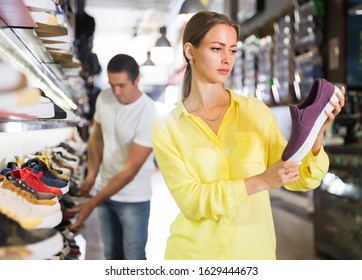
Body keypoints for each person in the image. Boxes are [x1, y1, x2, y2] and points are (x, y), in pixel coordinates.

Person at [151, 11, 345, 260]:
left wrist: (316, 134)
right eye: (216, 49)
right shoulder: (166, 128)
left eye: (232, 50)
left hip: (254, 255)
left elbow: (300, 179)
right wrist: (261, 181)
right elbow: (192, 201)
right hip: (194, 256)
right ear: (190, 51)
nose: (226, 59)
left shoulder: (254, 112)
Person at [69, 54, 158, 260]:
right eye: (112, 84)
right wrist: (91, 175)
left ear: (137, 81)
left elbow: (129, 171)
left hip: (133, 198)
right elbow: (97, 137)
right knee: (111, 255)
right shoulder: (105, 97)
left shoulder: (149, 114)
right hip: (104, 192)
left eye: (122, 85)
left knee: (133, 258)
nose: (116, 91)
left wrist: (91, 203)